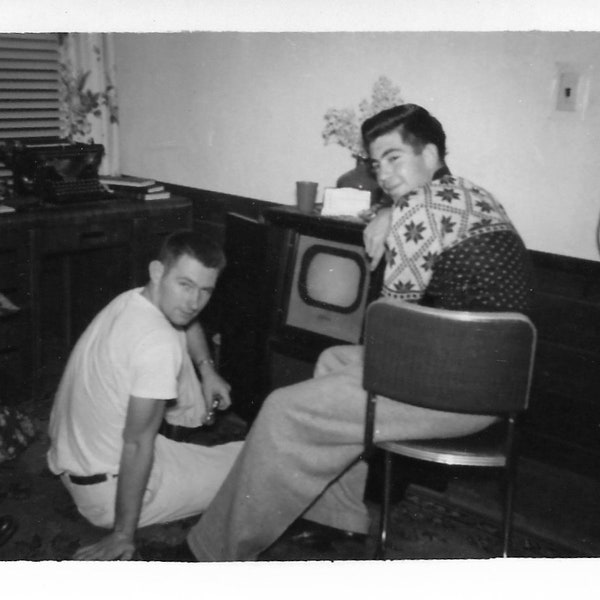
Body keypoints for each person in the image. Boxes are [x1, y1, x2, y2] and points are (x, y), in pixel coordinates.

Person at [167, 104, 535, 562]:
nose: (384, 173)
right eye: (377, 163)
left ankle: (207, 555)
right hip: (494, 384)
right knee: (332, 362)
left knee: (284, 409)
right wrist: (390, 209)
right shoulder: (470, 195)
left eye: (395, 157)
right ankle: (335, 518)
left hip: (456, 392)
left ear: (432, 153)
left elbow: (389, 332)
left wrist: (395, 214)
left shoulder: (420, 213)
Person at [47, 230, 243, 561]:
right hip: (106, 492)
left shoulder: (133, 299)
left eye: (204, 290)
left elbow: (186, 318)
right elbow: (138, 445)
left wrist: (207, 370)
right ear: (157, 272)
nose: (194, 302)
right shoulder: (157, 344)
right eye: (185, 285)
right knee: (254, 469)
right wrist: (123, 534)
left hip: (75, 459)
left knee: (236, 454)